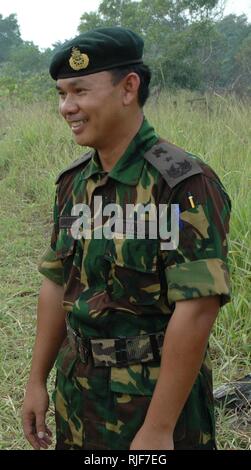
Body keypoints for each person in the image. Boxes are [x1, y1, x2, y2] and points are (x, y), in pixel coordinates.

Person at [22, 27, 231, 450]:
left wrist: (158, 428)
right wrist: (36, 381)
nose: (67, 107)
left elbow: (198, 309)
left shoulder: (183, 184)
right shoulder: (74, 183)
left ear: (128, 88)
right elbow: (57, 282)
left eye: (80, 90)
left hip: (151, 402)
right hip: (78, 394)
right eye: (61, 94)